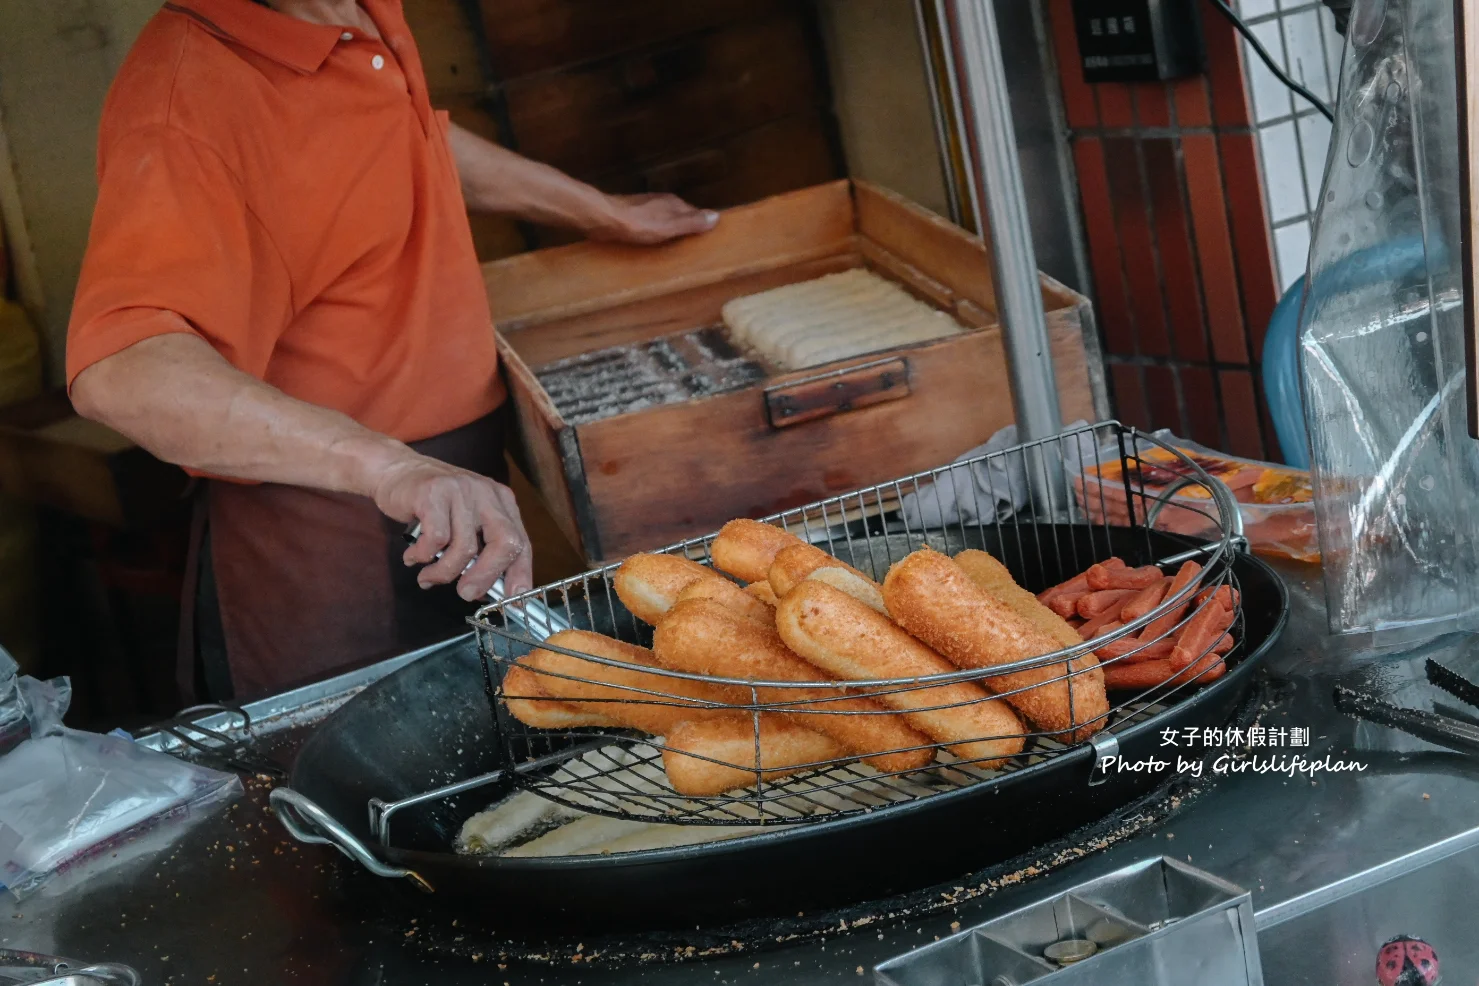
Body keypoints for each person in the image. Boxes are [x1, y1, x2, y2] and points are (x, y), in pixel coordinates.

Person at [65, 0, 718, 701]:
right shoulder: (182, 111)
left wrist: (598, 210)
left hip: (454, 489)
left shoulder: (351, 12)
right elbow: (123, 369)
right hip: (333, 538)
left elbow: (398, 139)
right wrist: (387, 467)